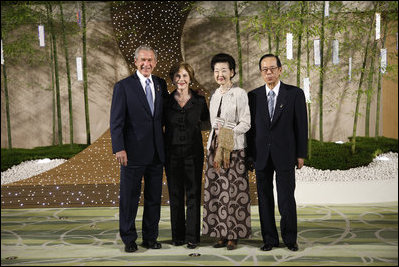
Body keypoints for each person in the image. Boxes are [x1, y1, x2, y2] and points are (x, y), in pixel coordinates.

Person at [110, 45, 169, 253]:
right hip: (131, 153)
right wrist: (119, 148)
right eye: (143, 60)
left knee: (154, 198)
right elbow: (116, 122)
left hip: (156, 152)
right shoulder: (123, 87)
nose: (147, 64)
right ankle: (129, 238)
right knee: (129, 198)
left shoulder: (161, 84)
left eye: (151, 60)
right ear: (135, 62)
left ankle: (150, 237)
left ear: (155, 62)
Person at [247, 54, 308, 252]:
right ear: (261, 73)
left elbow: (301, 126)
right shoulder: (253, 96)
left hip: (285, 154)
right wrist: (249, 155)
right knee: (264, 199)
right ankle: (269, 239)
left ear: (280, 70)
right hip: (261, 155)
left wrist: (301, 154)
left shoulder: (294, 94)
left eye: (272, 68)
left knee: (286, 199)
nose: (269, 72)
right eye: (265, 69)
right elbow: (250, 130)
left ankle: (290, 239)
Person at [202, 53, 251, 250]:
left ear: (232, 72)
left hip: (234, 149)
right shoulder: (214, 95)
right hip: (215, 149)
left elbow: (246, 122)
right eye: (216, 71)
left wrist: (228, 132)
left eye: (224, 70)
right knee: (216, 192)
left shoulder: (240, 93)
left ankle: (233, 235)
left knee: (233, 192)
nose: (220, 74)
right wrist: (217, 132)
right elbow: (213, 123)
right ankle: (219, 234)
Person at [163, 62, 211, 249]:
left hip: (194, 153)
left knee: (193, 194)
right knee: (175, 194)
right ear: (173, 79)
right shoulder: (166, 101)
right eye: (177, 76)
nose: (181, 79)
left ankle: (192, 236)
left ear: (190, 78)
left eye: (184, 76)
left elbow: (206, 122)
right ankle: (178, 236)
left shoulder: (199, 101)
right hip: (172, 153)